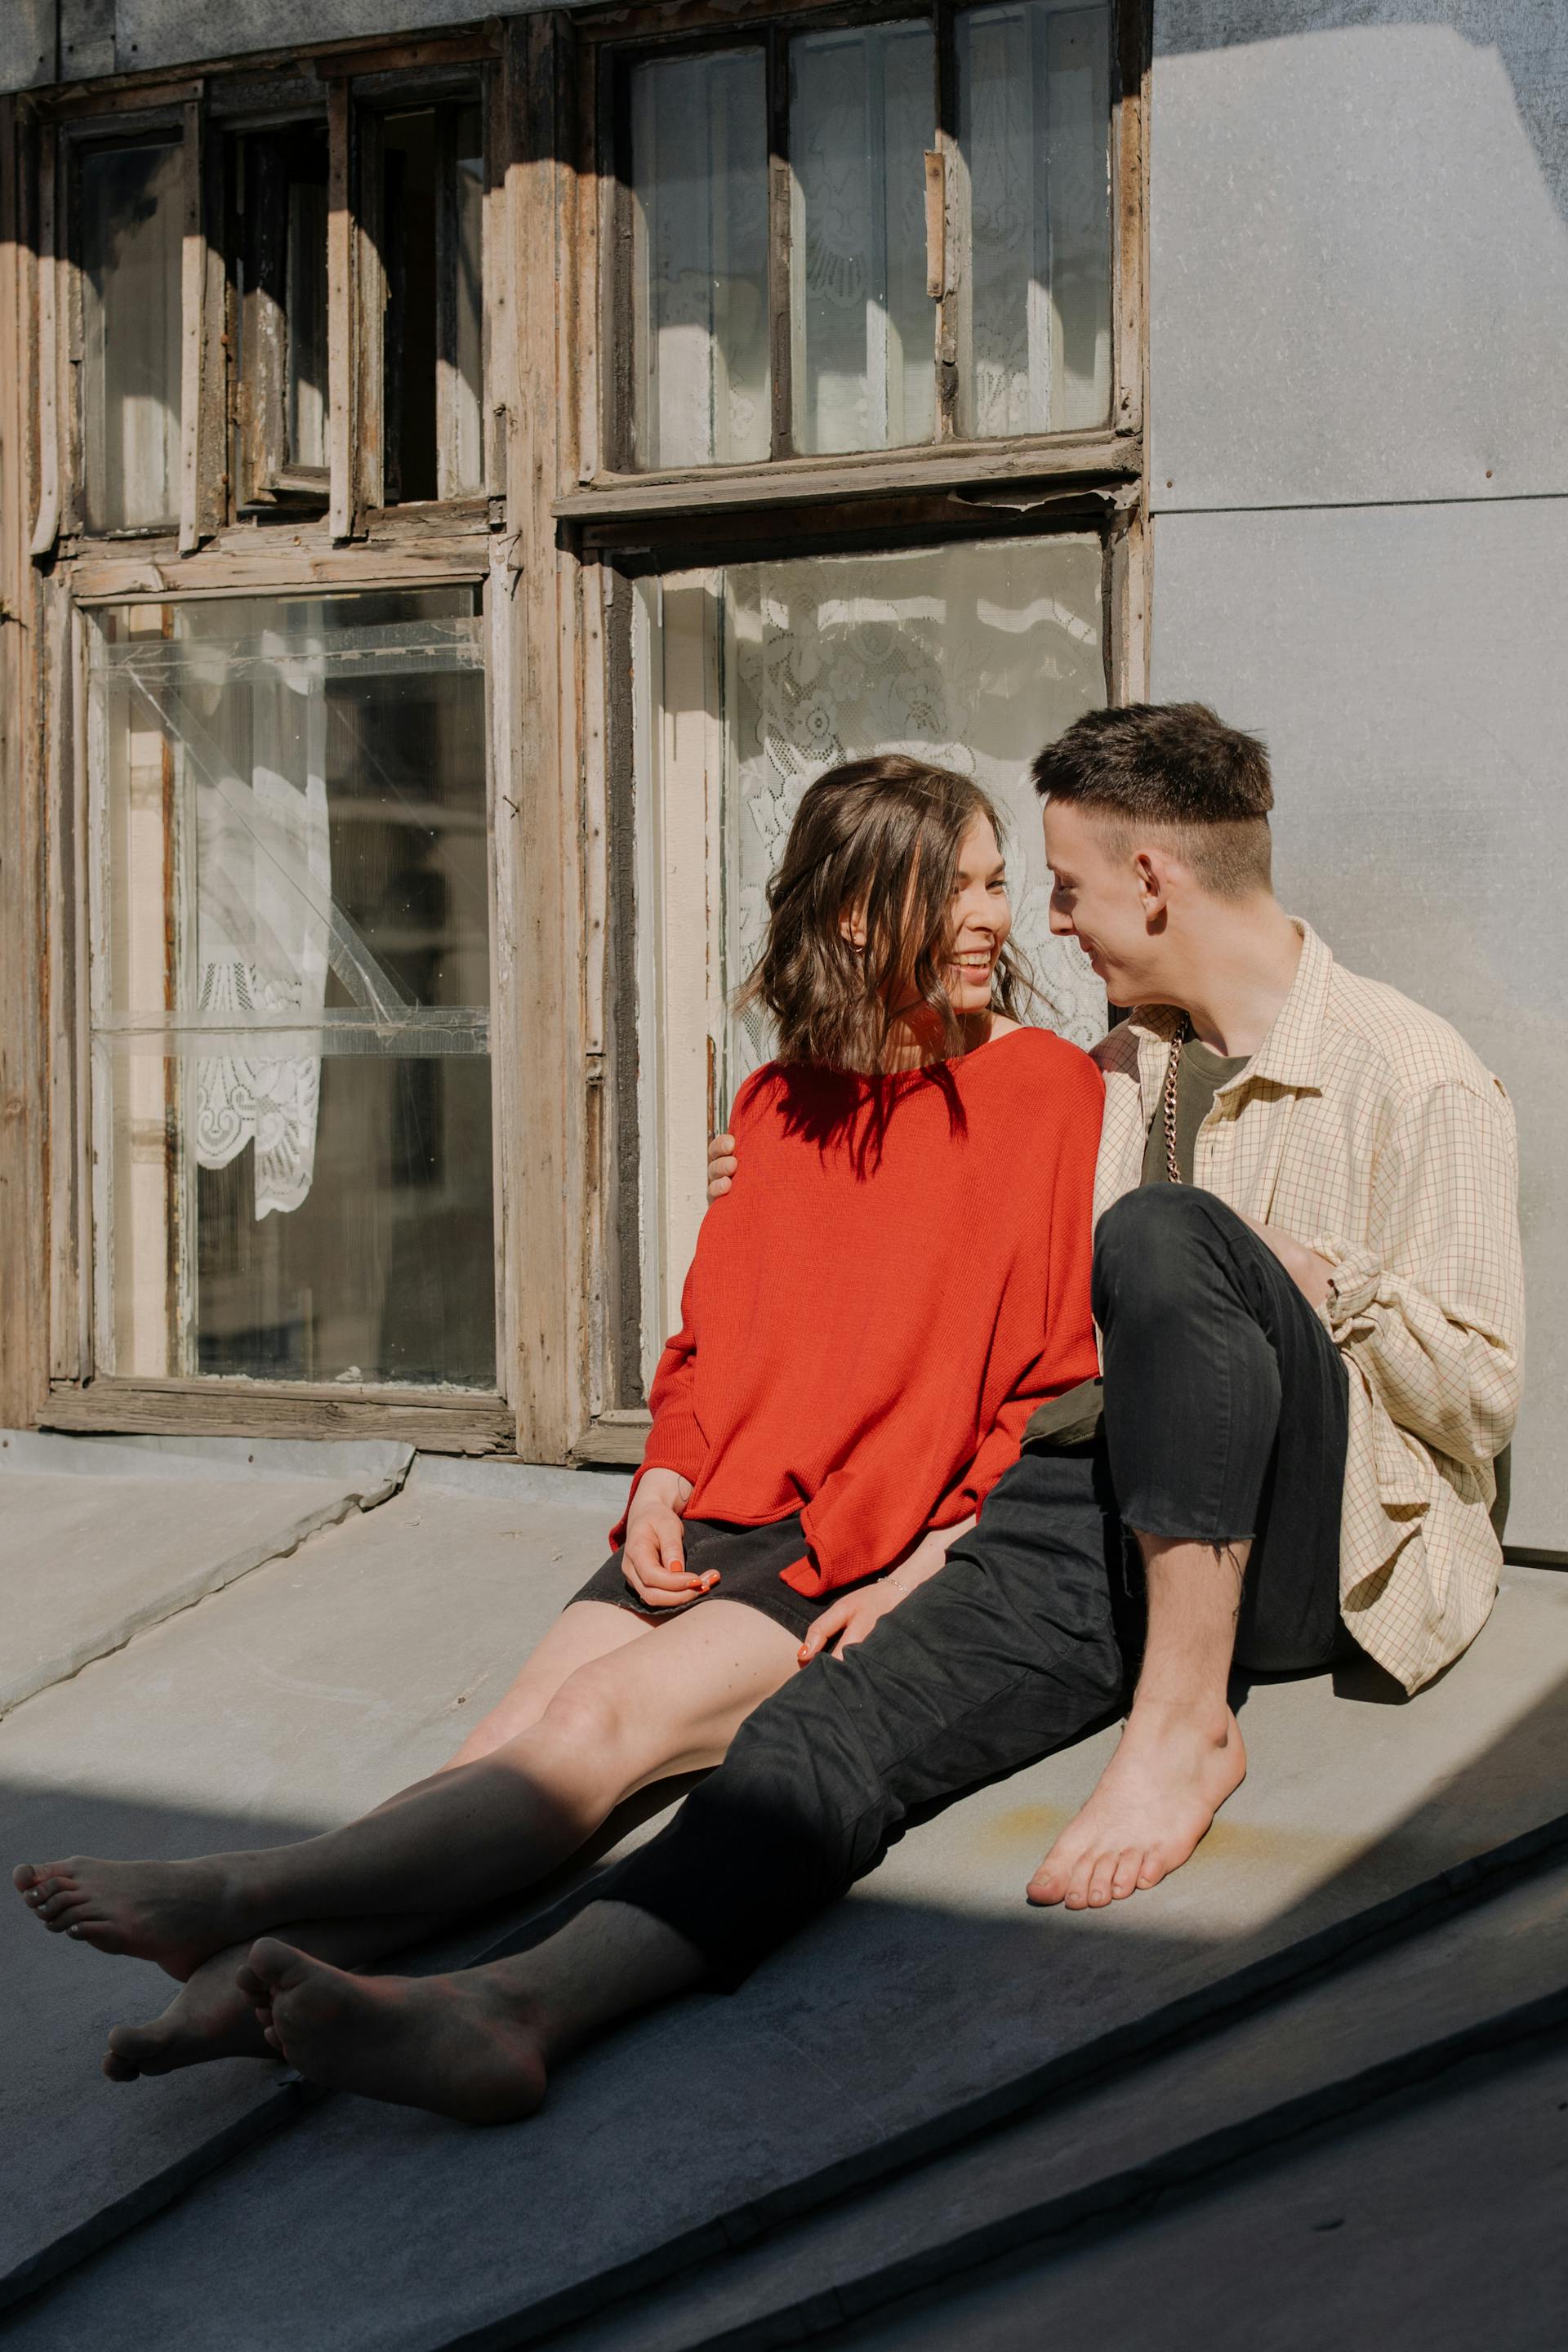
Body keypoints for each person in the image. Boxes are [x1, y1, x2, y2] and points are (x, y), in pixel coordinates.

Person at [163, 701, 1520, 2128]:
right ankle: (514, 2007)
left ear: (1152, 885)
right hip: (1085, 1509)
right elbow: (963, 1263)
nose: (1047, 925)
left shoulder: (1410, 1075)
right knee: (817, 1739)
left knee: (1175, 1237)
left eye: (1056, 886)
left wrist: (1324, 1280)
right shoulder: (1126, 1067)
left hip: (1309, 1528)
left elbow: (1481, 1400)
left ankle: (1183, 1725)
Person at [15, 754, 1106, 2105]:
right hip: (716, 1503)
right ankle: (248, 1987)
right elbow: (711, 1338)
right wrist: (662, 1472)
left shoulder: (1047, 1089)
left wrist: (929, 1560)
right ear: (855, 915)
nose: (995, 916)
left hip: (845, 1536)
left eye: (999, 884)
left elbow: (1048, 1371)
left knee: (595, 1724)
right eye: (959, 888)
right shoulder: (777, 1103)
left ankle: (233, 1891)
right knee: (506, 1744)